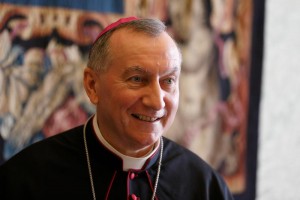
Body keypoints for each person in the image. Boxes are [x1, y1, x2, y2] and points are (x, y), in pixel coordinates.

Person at [0, 17, 234, 200]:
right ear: (92, 86)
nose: (157, 101)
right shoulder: (27, 179)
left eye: (169, 81)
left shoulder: (205, 186)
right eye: (136, 79)